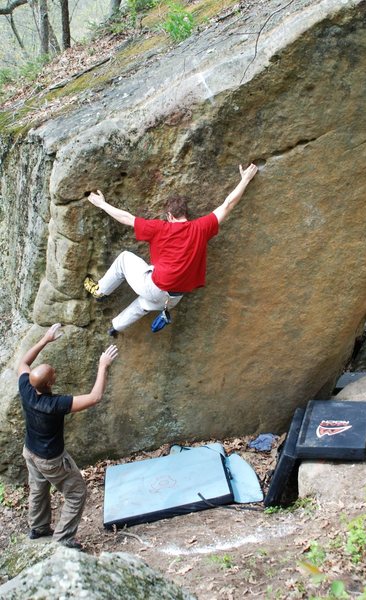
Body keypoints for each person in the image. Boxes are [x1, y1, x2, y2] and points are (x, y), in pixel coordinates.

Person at [84, 163, 258, 336]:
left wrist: (102, 204)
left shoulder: (160, 228)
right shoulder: (201, 228)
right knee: (143, 305)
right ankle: (115, 327)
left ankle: (100, 291)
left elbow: (127, 218)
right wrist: (245, 180)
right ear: (186, 215)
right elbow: (227, 205)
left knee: (124, 259)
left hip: (155, 287)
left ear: (169, 216)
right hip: (173, 298)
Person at [17, 323, 118, 550]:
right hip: (51, 459)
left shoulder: (26, 387)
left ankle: (39, 527)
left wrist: (45, 339)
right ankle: (63, 540)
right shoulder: (54, 404)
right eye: (53, 373)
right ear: (50, 383)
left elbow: (23, 363)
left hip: (30, 451)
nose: (55, 372)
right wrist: (103, 365)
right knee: (76, 493)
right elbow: (95, 397)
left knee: (38, 488)